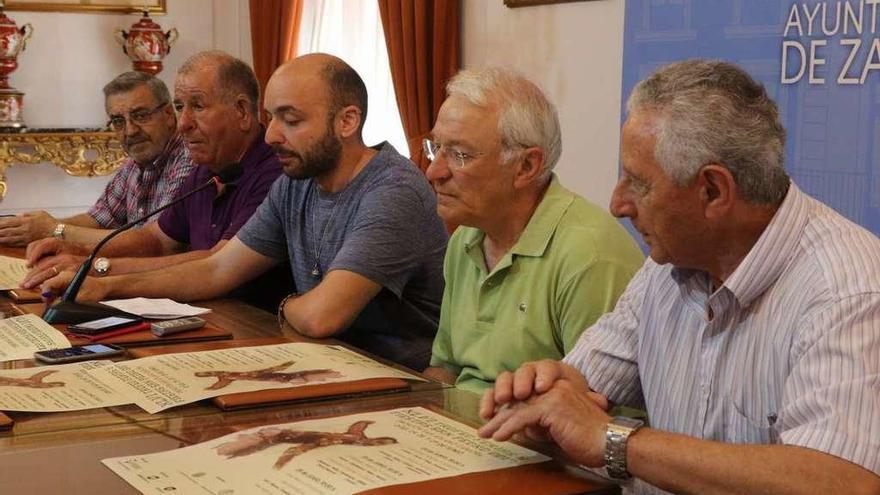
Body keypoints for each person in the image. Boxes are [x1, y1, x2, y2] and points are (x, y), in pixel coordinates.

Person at [478, 60, 880, 494]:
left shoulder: (845, 289)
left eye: (638, 182)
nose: (617, 204)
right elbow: (584, 383)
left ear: (713, 191)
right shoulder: (667, 265)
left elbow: (843, 482)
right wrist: (543, 398)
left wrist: (617, 442)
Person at [41, 53, 448, 370]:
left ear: (347, 121)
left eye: (290, 120)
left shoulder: (392, 190)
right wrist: (106, 287)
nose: (271, 135)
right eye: (271, 119)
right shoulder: (296, 182)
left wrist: (286, 303)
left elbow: (323, 316)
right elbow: (218, 269)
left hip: (397, 381)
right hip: (323, 364)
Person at [421, 67, 642, 393]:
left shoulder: (589, 255)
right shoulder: (466, 238)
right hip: (462, 428)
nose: (433, 171)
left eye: (460, 155)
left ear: (526, 166)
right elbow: (446, 370)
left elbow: (591, 411)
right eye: (435, 147)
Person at [22, 52, 284, 298]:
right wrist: (80, 252)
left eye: (198, 106)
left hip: (256, 326)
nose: (184, 123)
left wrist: (97, 269)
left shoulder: (275, 172)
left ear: (242, 111)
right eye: (181, 107)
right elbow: (157, 240)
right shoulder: (206, 168)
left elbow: (216, 262)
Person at [0, 71, 194, 247]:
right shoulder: (134, 164)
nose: (130, 131)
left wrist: (52, 230)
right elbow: (99, 219)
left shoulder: (188, 159)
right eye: (119, 121)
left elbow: (151, 242)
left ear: (169, 114)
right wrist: (30, 228)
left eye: (141, 115)